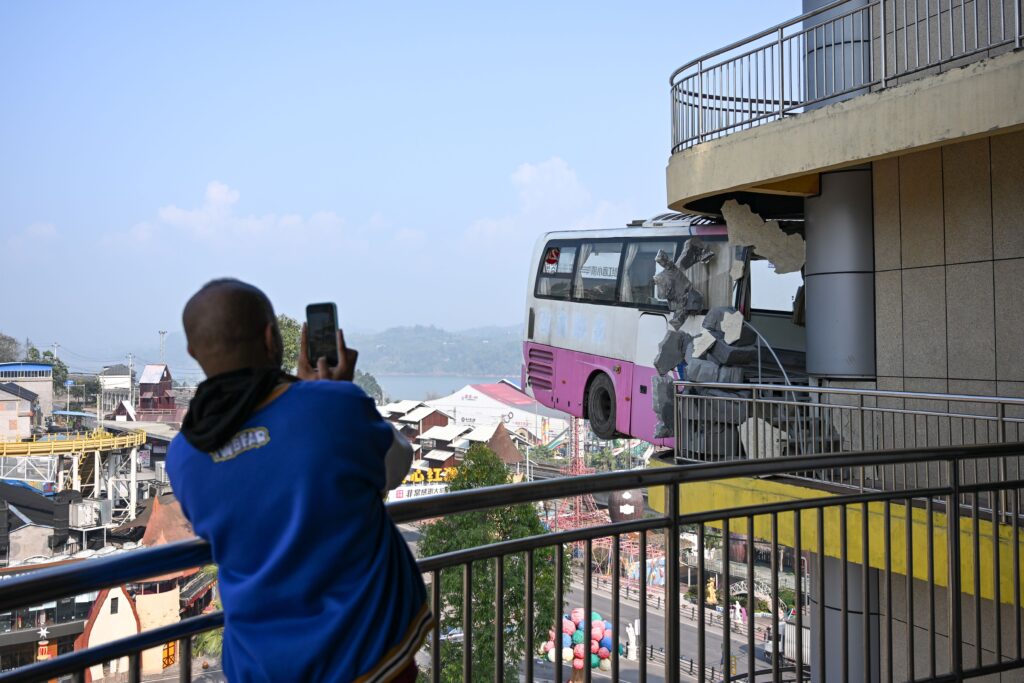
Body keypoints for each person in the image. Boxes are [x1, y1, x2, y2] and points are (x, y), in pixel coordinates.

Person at [166, 279, 429, 682]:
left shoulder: (184, 456)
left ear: (193, 351)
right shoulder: (332, 407)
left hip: (261, 666)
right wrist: (334, 393)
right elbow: (394, 465)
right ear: (273, 337)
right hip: (367, 657)